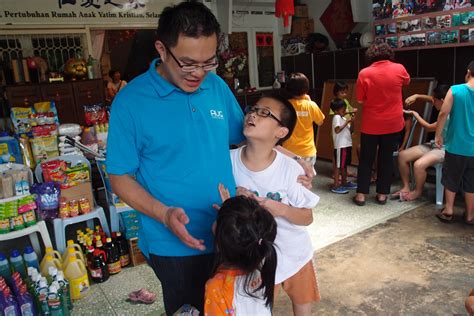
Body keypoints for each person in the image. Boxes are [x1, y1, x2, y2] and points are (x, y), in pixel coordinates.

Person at [106, 2, 246, 314]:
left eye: (208, 62)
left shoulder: (216, 85)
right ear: (162, 49)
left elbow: (243, 137)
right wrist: (164, 213)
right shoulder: (131, 102)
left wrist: (288, 159)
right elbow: (119, 176)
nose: (198, 73)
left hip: (228, 233)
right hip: (174, 245)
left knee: (232, 307)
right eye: (187, 63)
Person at [229, 94, 321, 316]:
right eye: (253, 109)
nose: (252, 114)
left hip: (295, 254)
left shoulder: (291, 170)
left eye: (264, 113)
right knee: (257, 309)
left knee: (302, 303)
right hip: (254, 261)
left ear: (281, 133)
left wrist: (280, 209)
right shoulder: (227, 162)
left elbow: (307, 217)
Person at [353, 42, 410, 206]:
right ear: (389, 54)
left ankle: (361, 194)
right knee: (386, 159)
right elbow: (406, 81)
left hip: (371, 124)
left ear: (371, 56)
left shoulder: (364, 73)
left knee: (366, 158)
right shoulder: (399, 68)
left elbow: (360, 99)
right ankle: (382, 194)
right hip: (393, 123)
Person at [205, 196, 277, 315]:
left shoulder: (215, 287)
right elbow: (247, 233)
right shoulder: (263, 261)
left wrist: (229, 217)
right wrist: (231, 219)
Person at [435, 61, 474, 225]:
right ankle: (470, 215)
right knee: (471, 182)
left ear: (468, 72)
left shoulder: (456, 90)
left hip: (456, 145)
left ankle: (449, 210)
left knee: (451, 178)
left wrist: (438, 134)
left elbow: (443, 113)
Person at [394, 84, 450, 201]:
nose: (432, 102)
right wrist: (417, 96)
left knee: (419, 165)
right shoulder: (443, 102)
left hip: (445, 148)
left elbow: (429, 127)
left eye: (435, 100)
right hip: (434, 144)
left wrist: (415, 114)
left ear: (442, 100)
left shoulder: (448, 114)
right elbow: (430, 99)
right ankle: (406, 187)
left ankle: (418, 191)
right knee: (402, 155)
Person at [283, 72, 325, 166]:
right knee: (307, 179)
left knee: (290, 179)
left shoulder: (285, 106)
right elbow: (320, 122)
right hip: (308, 151)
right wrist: (309, 101)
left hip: (289, 151)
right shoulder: (311, 105)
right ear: (306, 88)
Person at [330, 98, 357, 194]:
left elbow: (351, 131)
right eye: (343, 109)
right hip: (340, 146)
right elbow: (337, 130)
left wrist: (352, 122)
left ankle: (344, 182)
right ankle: (336, 185)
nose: (345, 111)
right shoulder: (336, 117)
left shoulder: (344, 118)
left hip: (346, 145)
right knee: (338, 166)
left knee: (344, 166)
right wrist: (347, 122)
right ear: (336, 110)